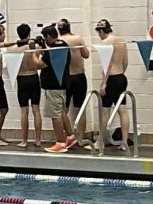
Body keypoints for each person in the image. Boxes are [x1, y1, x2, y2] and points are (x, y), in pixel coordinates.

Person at [95, 19, 131, 152]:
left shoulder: (106, 43)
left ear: (102, 31)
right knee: (122, 110)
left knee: (105, 111)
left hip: (111, 78)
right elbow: (126, 62)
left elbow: (107, 65)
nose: (99, 35)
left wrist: (104, 83)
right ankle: (124, 142)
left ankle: (101, 142)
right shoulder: (121, 41)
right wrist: (119, 76)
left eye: (99, 32)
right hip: (121, 77)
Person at [40, 25, 74, 153]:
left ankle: (60, 143)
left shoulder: (53, 49)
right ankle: (70, 137)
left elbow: (39, 64)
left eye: (45, 38)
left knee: (56, 115)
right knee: (62, 112)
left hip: (54, 86)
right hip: (62, 84)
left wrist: (35, 52)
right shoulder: (63, 44)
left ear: (48, 36)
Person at [9, 24, 44, 149]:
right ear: (29, 33)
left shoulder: (14, 49)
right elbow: (45, 51)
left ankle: (24, 141)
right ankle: (38, 140)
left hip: (22, 80)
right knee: (36, 110)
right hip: (34, 78)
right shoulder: (36, 47)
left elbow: (6, 49)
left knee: (24, 112)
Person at [57, 18, 91, 146]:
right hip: (79, 76)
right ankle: (81, 138)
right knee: (80, 108)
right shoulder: (77, 39)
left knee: (62, 110)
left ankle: (65, 137)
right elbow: (86, 55)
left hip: (65, 78)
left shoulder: (57, 42)